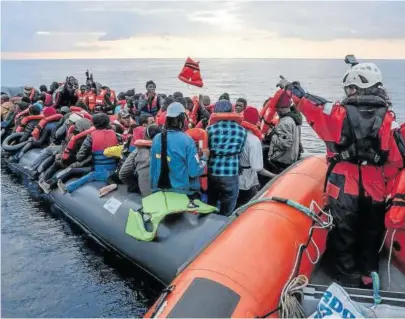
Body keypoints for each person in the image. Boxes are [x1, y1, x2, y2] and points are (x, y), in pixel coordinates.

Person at [276, 61, 396, 288]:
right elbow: (396, 158)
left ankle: (347, 275)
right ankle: (369, 274)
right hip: (376, 186)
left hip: (343, 184)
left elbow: (310, 104)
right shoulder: (390, 120)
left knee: (343, 231)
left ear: (353, 88)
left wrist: (290, 88)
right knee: (371, 232)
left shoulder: (336, 114)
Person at [150, 102, 209, 196]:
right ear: (183, 118)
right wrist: (205, 157)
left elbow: (153, 167)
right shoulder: (187, 141)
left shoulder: (157, 138)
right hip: (181, 191)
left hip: (160, 190)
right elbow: (194, 171)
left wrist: (153, 190)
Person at [59, 113, 120, 193]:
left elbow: (80, 157)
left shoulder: (91, 136)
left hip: (99, 172)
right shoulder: (114, 134)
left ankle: (68, 188)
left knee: (86, 175)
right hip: (114, 170)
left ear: (94, 124)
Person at [207, 100, 247, 216]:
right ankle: (223, 227)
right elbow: (240, 151)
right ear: (231, 111)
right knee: (227, 208)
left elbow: (205, 150)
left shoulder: (210, 129)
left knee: (211, 204)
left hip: (213, 172)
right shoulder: (242, 131)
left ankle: (209, 225)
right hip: (231, 173)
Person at [38, 118, 93, 193]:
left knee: (58, 163)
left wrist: (65, 159)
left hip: (76, 162)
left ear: (82, 128)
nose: (75, 128)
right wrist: (61, 155)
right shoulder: (75, 136)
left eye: (77, 127)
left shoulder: (85, 140)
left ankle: (46, 183)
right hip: (71, 159)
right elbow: (65, 148)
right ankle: (44, 180)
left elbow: (81, 157)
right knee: (56, 160)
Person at [238, 107, 276, 207]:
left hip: (232, 178)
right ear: (256, 121)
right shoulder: (254, 140)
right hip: (245, 183)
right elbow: (257, 168)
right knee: (245, 205)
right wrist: (274, 176)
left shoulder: (235, 134)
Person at [119, 124, 162, 196]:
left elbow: (123, 174)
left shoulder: (138, 150)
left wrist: (136, 186)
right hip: (173, 192)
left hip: (149, 196)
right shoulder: (171, 147)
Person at [267, 91, 302, 174]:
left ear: (280, 108)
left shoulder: (284, 122)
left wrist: (272, 135)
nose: (276, 110)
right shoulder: (295, 120)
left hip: (281, 162)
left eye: (277, 108)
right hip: (291, 160)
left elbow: (285, 144)